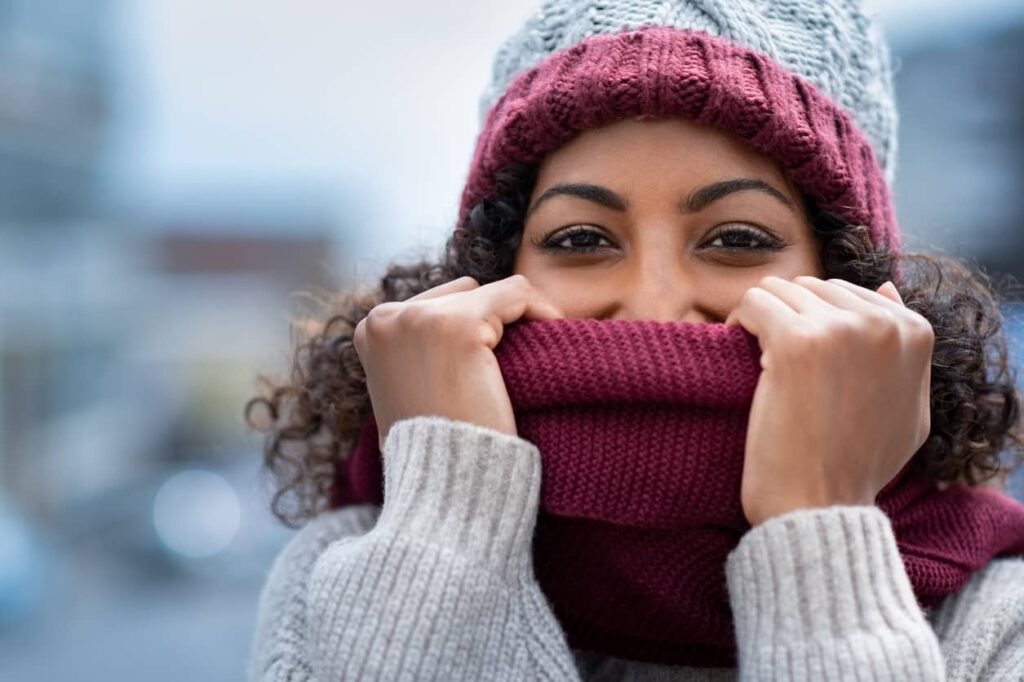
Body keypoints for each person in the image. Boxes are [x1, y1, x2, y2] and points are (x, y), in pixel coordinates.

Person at [244, 1, 1024, 680]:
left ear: (846, 282)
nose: (653, 306)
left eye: (738, 237)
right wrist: (447, 516)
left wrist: (817, 530)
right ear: (491, 272)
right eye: (582, 240)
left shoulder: (999, 622)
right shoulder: (338, 574)